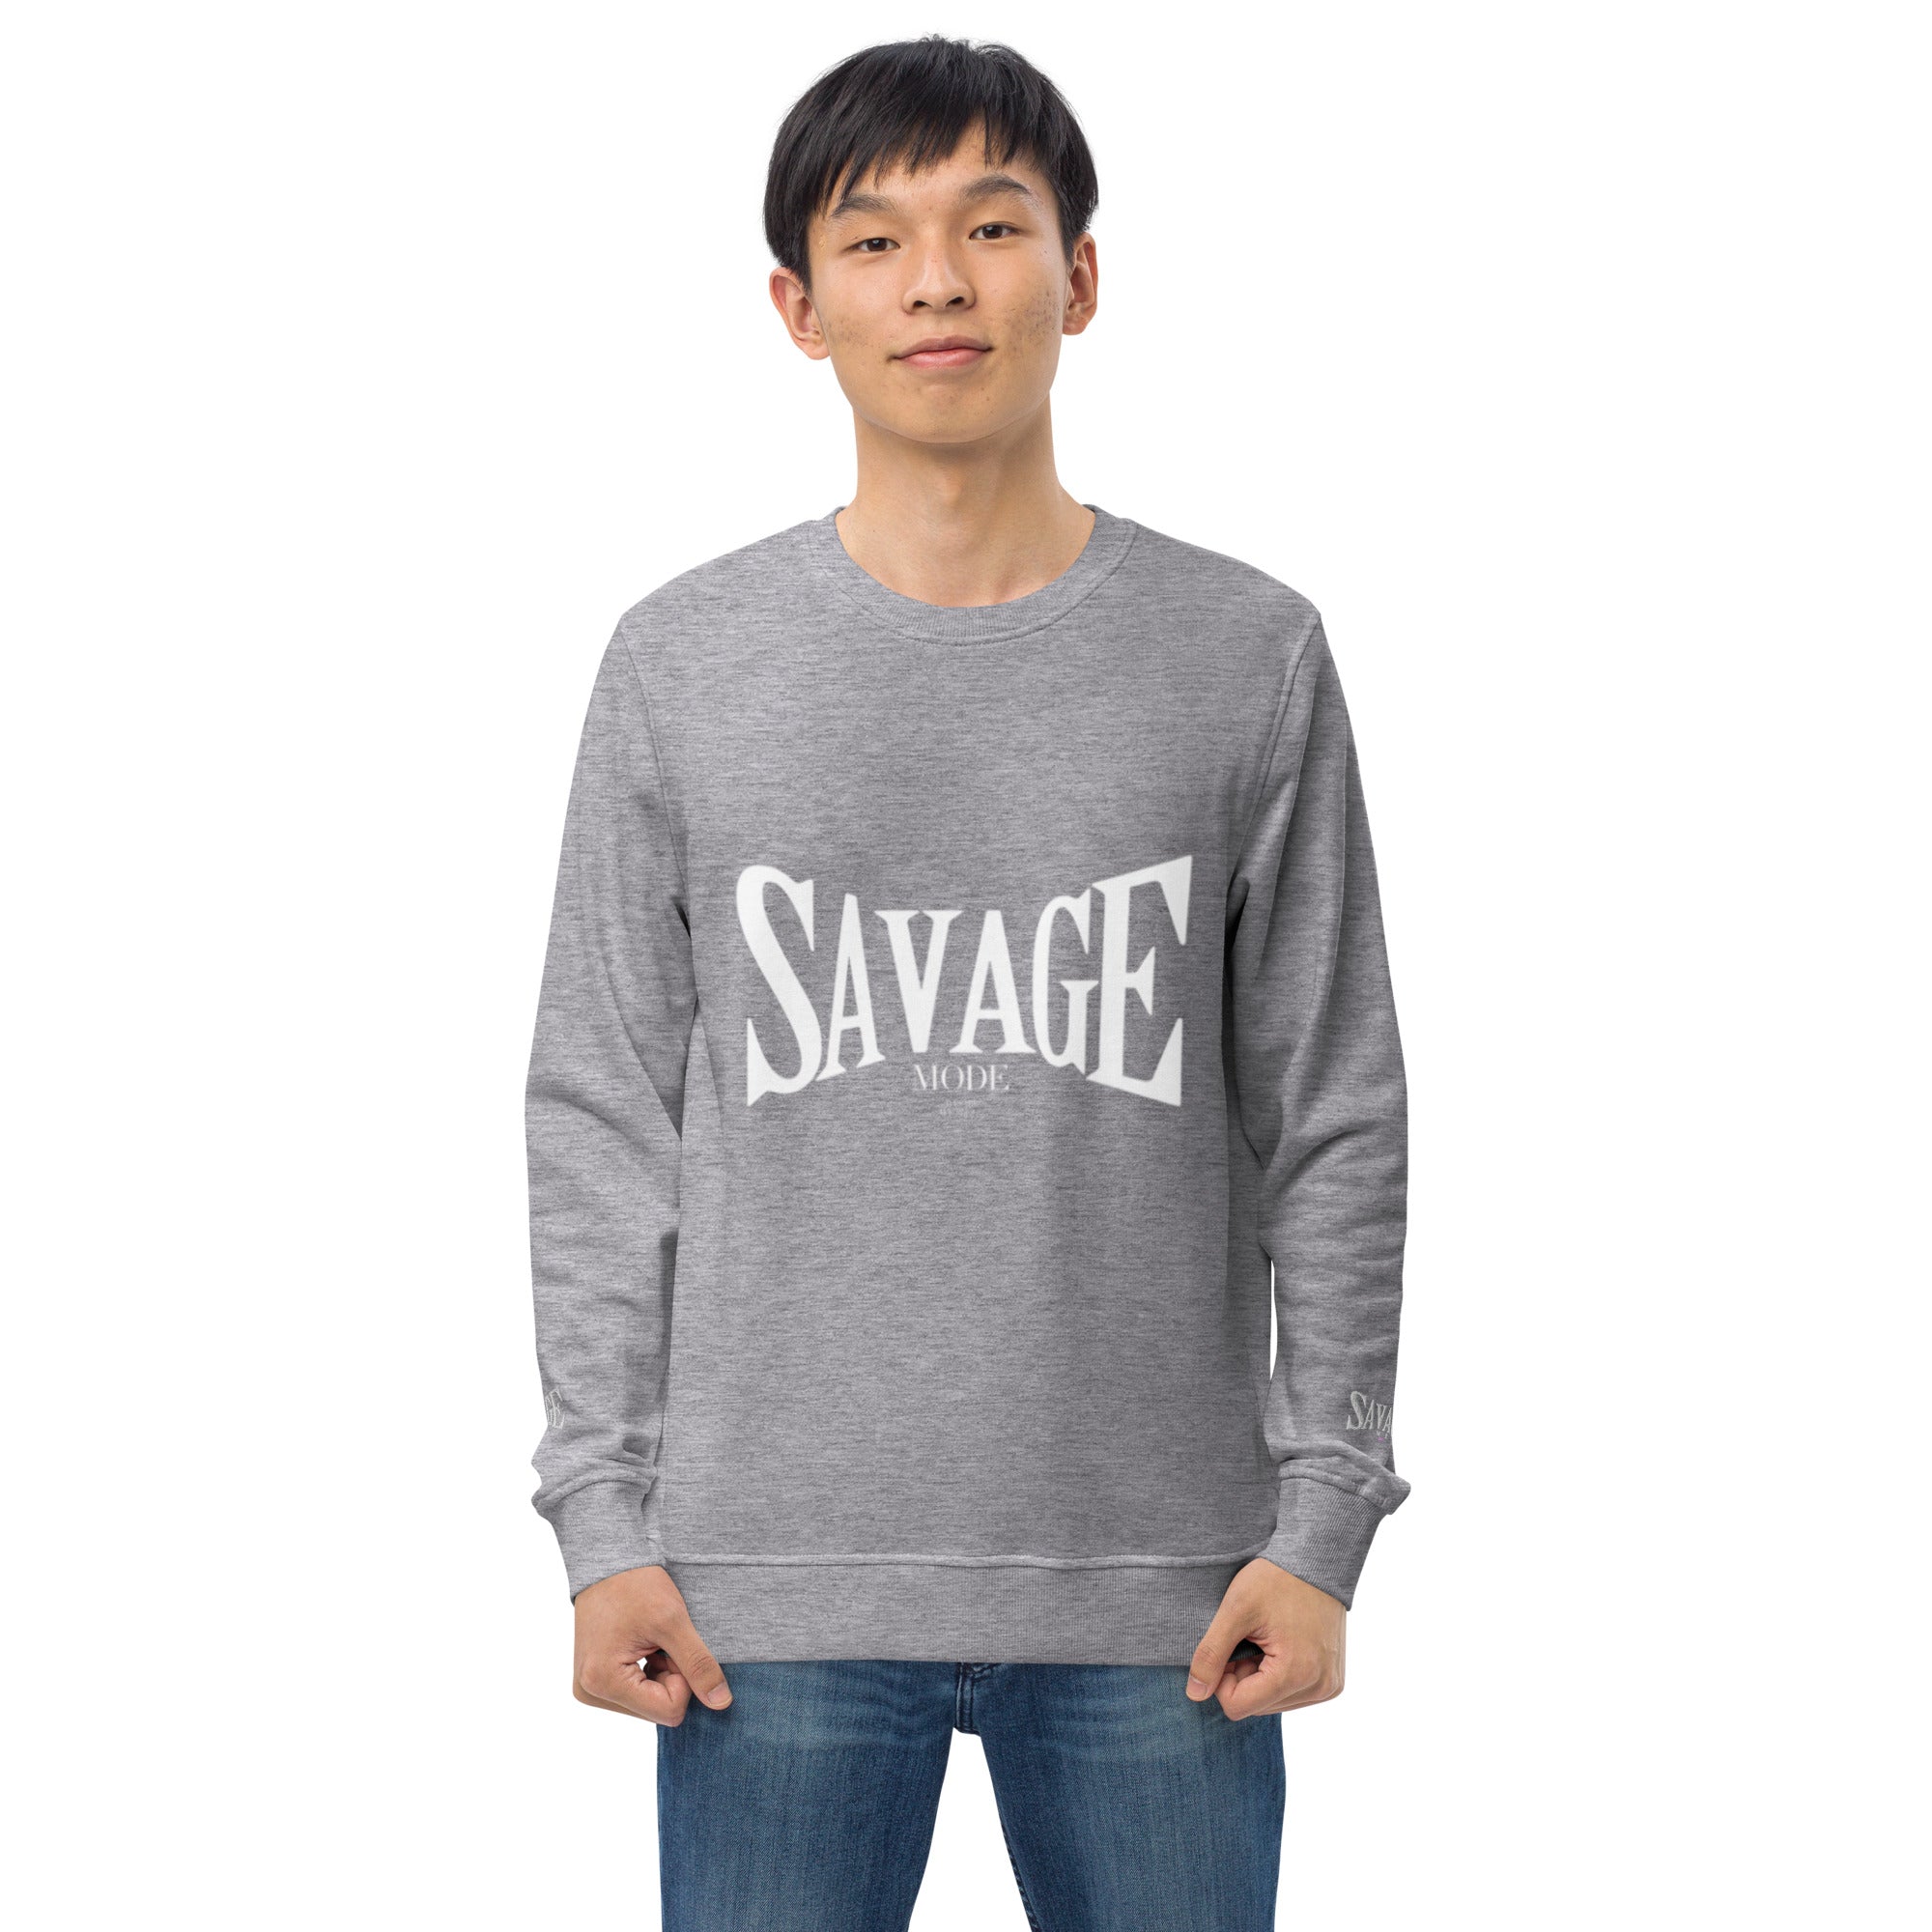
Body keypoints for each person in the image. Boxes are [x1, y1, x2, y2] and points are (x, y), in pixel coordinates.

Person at [526, 34, 1410, 1931]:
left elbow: (1331, 1109)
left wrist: (1326, 1515)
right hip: (764, 1597)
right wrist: (601, 1520)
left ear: (1078, 278)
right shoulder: (682, 664)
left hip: (1171, 1598)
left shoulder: (1245, 653)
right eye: (874, 240)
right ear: (799, 307)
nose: (937, 281)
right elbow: (601, 1115)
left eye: (992, 227)